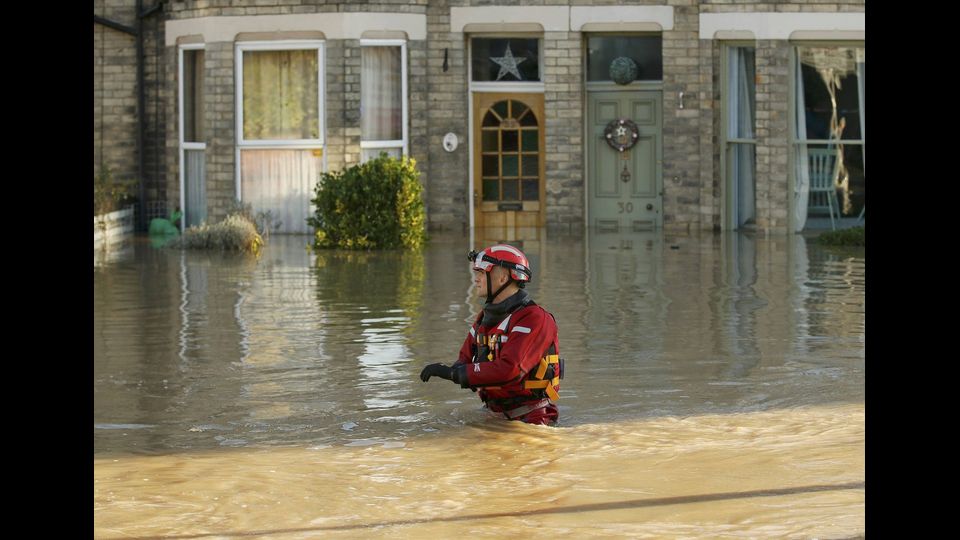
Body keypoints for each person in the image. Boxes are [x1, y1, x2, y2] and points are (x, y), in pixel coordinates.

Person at [419, 244, 563, 425]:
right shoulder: (485, 318)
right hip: (494, 414)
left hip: (532, 420)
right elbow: (464, 359)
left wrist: (455, 375)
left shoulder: (535, 319)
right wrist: (450, 370)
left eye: (481, 272)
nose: (476, 279)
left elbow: (510, 369)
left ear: (503, 278)